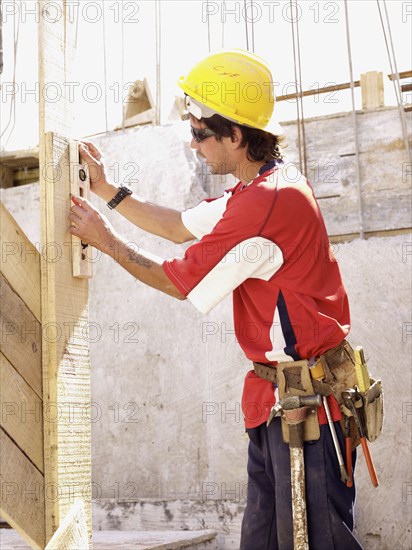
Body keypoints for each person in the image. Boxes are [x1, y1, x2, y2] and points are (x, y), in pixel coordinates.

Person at [70, 49, 363, 549]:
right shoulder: (258, 189)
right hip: (281, 403)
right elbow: (178, 227)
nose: (193, 143)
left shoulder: (268, 204)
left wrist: (105, 240)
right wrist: (105, 191)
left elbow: (176, 281)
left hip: (309, 410)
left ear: (236, 135)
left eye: (201, 133)